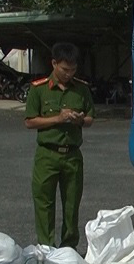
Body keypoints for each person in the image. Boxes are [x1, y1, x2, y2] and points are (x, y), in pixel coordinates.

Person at [24, 42, 95, 248]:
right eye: (65, 69)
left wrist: (79, 120)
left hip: (72, 155)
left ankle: (69, 248)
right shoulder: (38, 89)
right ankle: (46, 247)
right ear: (54, 63)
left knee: (72, 205)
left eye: (73, 70)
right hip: (47, 154)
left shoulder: (81, 89)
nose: (68, 74)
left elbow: (90, 118)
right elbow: (30, 121)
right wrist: (58, 118)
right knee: (44, 204)